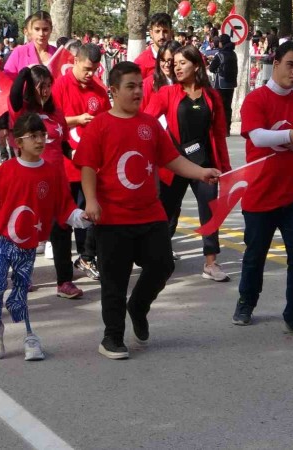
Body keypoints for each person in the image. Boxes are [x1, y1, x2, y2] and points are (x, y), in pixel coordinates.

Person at [74, 62, 221, 360]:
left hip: (150, 214)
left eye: (139, 86)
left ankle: (138, 306)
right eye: (130, 87)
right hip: (113, 218)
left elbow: (171, 159)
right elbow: (87, 166)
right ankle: (112, 337)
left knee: (162, 265)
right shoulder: (100, 125)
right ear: (113, 91)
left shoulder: (150, 125)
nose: (137, 92)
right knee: (114, 281)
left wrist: (201, 172)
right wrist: (91, 200)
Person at [0, 112, 91, 361]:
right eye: (33, 136)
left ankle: (28, 334)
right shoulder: (9, 169)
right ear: (18, 142)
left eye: (42, 135)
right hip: (0, 237)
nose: (40, 140)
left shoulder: (52, 172)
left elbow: (64, 207)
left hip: (28, 243)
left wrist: (82, 217)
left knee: (21, 290)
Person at [232, 41, 293, 337]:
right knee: (255, 255)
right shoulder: (256, 99)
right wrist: (292, 136)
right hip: (260, 194)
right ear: (276, 64)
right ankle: (246, 301)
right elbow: (258, 137)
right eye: (290, 65)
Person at [145, 44, 231, 281]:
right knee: (165, 214)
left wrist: (225, 167)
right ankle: (155, 258)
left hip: (204, 165)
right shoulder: (167, 93)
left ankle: (211, 263)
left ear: (197, 65)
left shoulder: (212, 96)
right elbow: (146, 121)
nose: (177, 68)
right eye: (175, 64)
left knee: (210, 212)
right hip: (174, 165)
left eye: (183, 63)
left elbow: (219, 135)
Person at [9, 65, 85, 298]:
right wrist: (25, 73)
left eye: (49, 85)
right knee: (26, 228)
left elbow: (63, 145)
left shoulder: (56, 113)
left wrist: (75, 157)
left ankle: (65, 282)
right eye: (40, 86)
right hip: (29, 181)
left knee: (62, 230)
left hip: (57, 181)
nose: (45, 91)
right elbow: (14, 95)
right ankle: (22, 275)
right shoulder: (23, 111)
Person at [51, 43, 111, 280]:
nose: (90, 74)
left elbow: (107, 120)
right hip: (66, 164)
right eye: (86, 69)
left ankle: (86, 257)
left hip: (91, 165)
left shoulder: (98, 89)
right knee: (66, 218)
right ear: (75, 61)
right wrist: (76, 119)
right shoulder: (60, 86)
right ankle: (64, 272)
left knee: (91, 212)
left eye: (94, 70)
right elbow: (50, 121)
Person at [3, 11, 58, 77]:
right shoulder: (19, 52)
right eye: (37, 29)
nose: (41, 34)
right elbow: (6, 79)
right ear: (31, 30)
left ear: (51, 30)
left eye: (45, 29)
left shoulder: (58, 54)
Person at [208, 34, 238, 135]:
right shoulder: (234, 54)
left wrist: (217, 70)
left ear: (222, 43)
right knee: (227, 107)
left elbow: (211, 68)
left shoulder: (220, 55)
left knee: (219, 107)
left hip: (221, 84)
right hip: (231, 84)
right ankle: (227, 129)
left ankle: (220, 128)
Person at [140, 40, 180, 111]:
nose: (167, 64)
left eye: (170, 60)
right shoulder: (148, 83)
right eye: (163, 60)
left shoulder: (185, 82)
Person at [134, 13, 173, 79]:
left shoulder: (178, 58)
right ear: (151, 33)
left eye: (165, 31)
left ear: (171, 33)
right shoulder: (141, 61)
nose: (161, 36)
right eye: (157, 31)